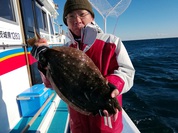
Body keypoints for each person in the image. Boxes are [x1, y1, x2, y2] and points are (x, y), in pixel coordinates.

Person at [31, 0, 135, 132]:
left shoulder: (111, 42)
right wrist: (43, 61)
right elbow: (50, 83)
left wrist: (113, 85)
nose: (77, 20)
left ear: (92, 17)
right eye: (71, 16)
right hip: (78, 124)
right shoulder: (64, 48)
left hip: (107, 125)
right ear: (66, 21)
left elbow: (127, 72)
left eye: (82, 14)